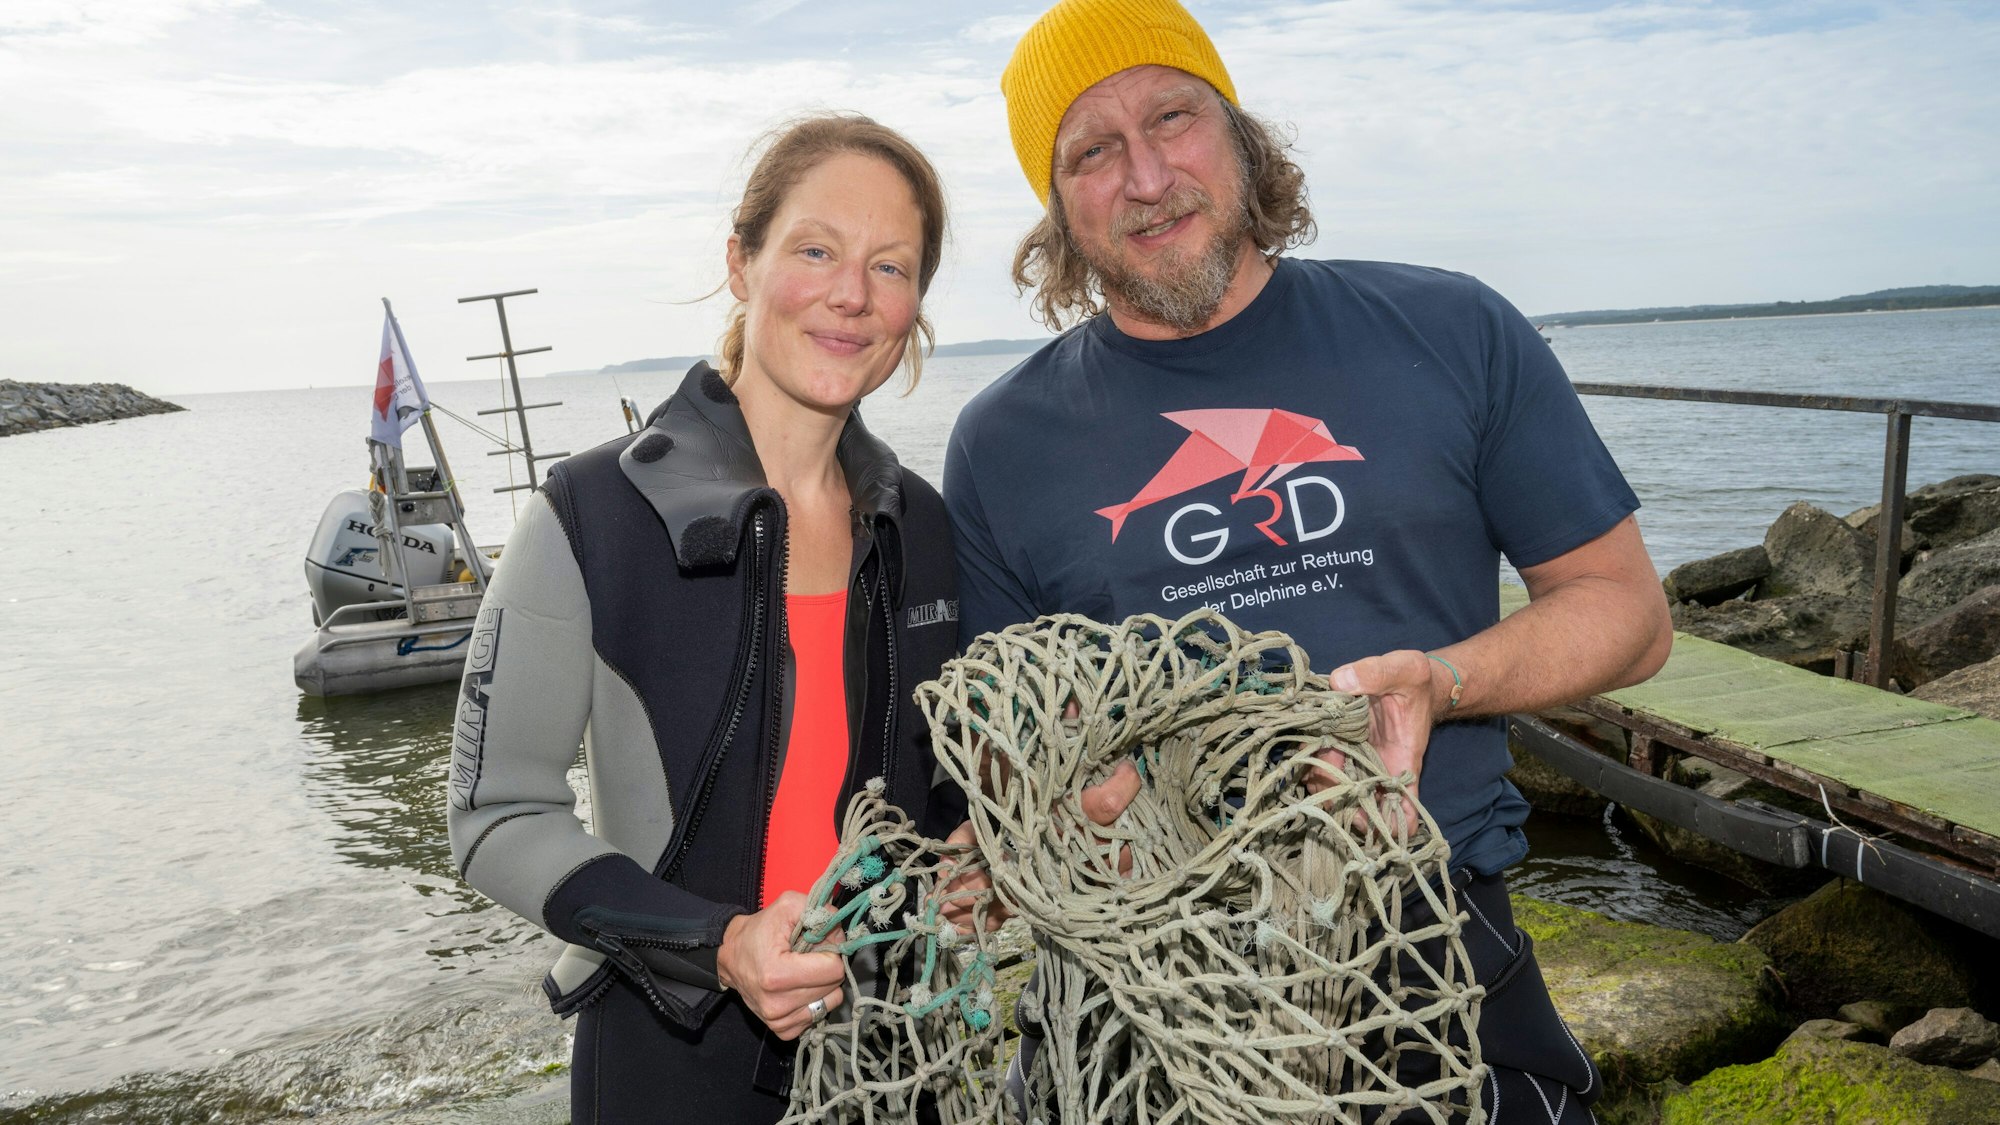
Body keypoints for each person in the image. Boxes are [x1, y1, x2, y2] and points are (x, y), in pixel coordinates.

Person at [944, 1, 1675, 1119]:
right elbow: (1015, 763)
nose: (1145, 177)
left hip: (1432, 936)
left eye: (1171, 117)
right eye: (1090, 151)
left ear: (1238, 134)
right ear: (1055, 204)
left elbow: (1625, 612)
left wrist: (1442, 681)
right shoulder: (1000, 443)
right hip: (1150, 987)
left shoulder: (1450, 329)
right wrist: (1084, 811)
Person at [446, 113, 966, 1124]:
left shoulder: (925, 528)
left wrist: (974, 860)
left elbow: (941, 792)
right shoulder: (592, 515)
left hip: (899, 1060)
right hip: (670, 1063)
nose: (850, 294)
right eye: (814, 249)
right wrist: (720, 945)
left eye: (890, 267)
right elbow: (491, 813)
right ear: (742, 262)